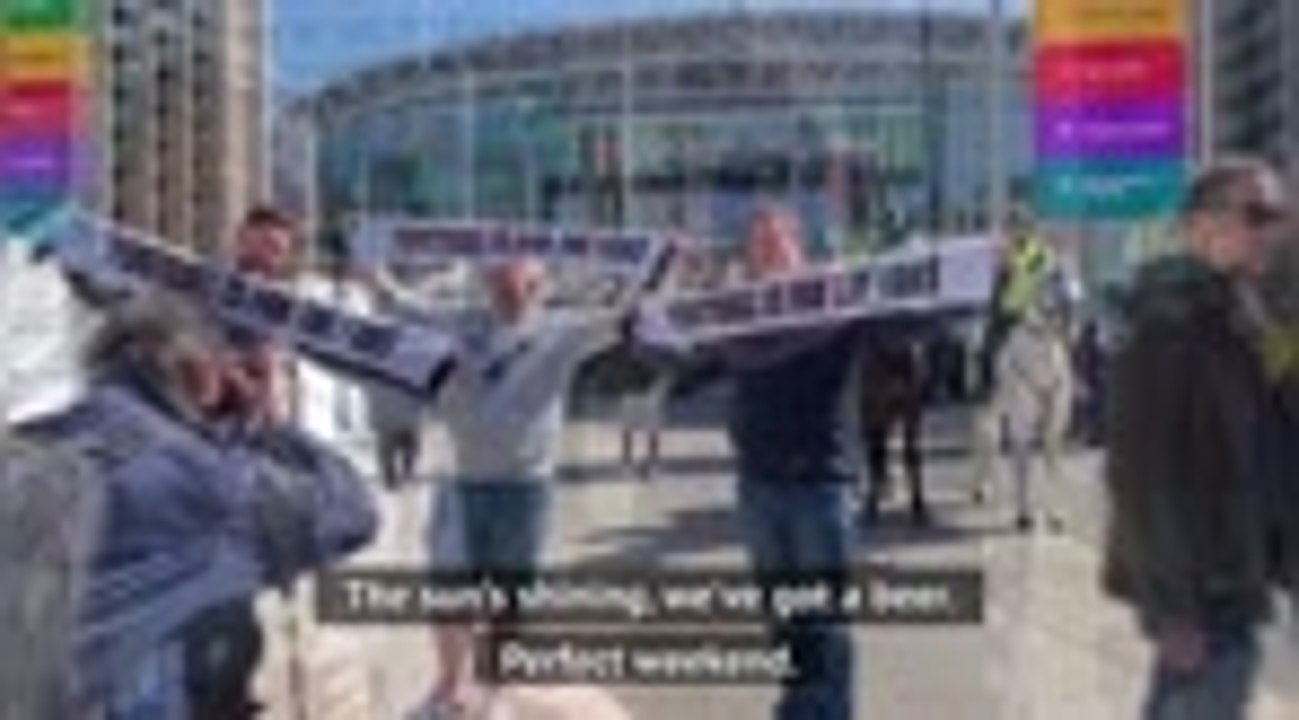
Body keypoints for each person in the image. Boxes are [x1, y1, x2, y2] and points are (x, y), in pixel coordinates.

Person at [13, 296, 376, 719]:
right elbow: (349, 512)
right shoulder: (202, 483)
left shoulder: (27, 447)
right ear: (200, 374)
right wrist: (268, 423)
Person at [641, 204, 860, 720]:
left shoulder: (835, 305)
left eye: (776, 242)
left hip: (820, 485)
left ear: (798, 248)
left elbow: (910, 317)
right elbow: (682, 362)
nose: (767, 252)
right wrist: (646, 310)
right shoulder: (741, 320)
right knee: (783, 620)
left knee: (824, 621)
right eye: (758, 245)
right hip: (759, 487)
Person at [404, 259, 642, 718]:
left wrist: (651, 270)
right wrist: (374, 267)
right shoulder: (465, 325)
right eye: (503, 285)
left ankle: (493, 691)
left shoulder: (563, 331)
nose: (513, 295)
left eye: (525, 286)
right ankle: (449, 686)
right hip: (461, 480)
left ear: (540, 288)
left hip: (524, 488)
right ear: (490, 287)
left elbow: (622, 319)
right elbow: (408, 310)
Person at [1102, 157, 1292, 720]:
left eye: (1275, 216)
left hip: (1235, 581)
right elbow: (1138, 476)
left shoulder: (1238, 312)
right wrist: (1172, 612)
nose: (1270, 230)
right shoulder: (1167, 323)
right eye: (1255, 214)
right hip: (1204, 599)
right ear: (1201, 227)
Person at [858, 318, 930, 526]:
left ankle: (875, 495)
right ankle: (915, 498)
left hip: (879, 355)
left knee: (876, 437)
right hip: (907, 357)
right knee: (911, 439)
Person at [978, 209, 1055, 399]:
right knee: (988, 349)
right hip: (1007, 320)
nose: (1012, 233)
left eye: (1016, 228)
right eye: (1010, 229)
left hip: (1031, 315)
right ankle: (990, 389)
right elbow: (997, 297)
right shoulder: (1005, 256)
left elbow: (1038, 280)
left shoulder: (1039, 254)